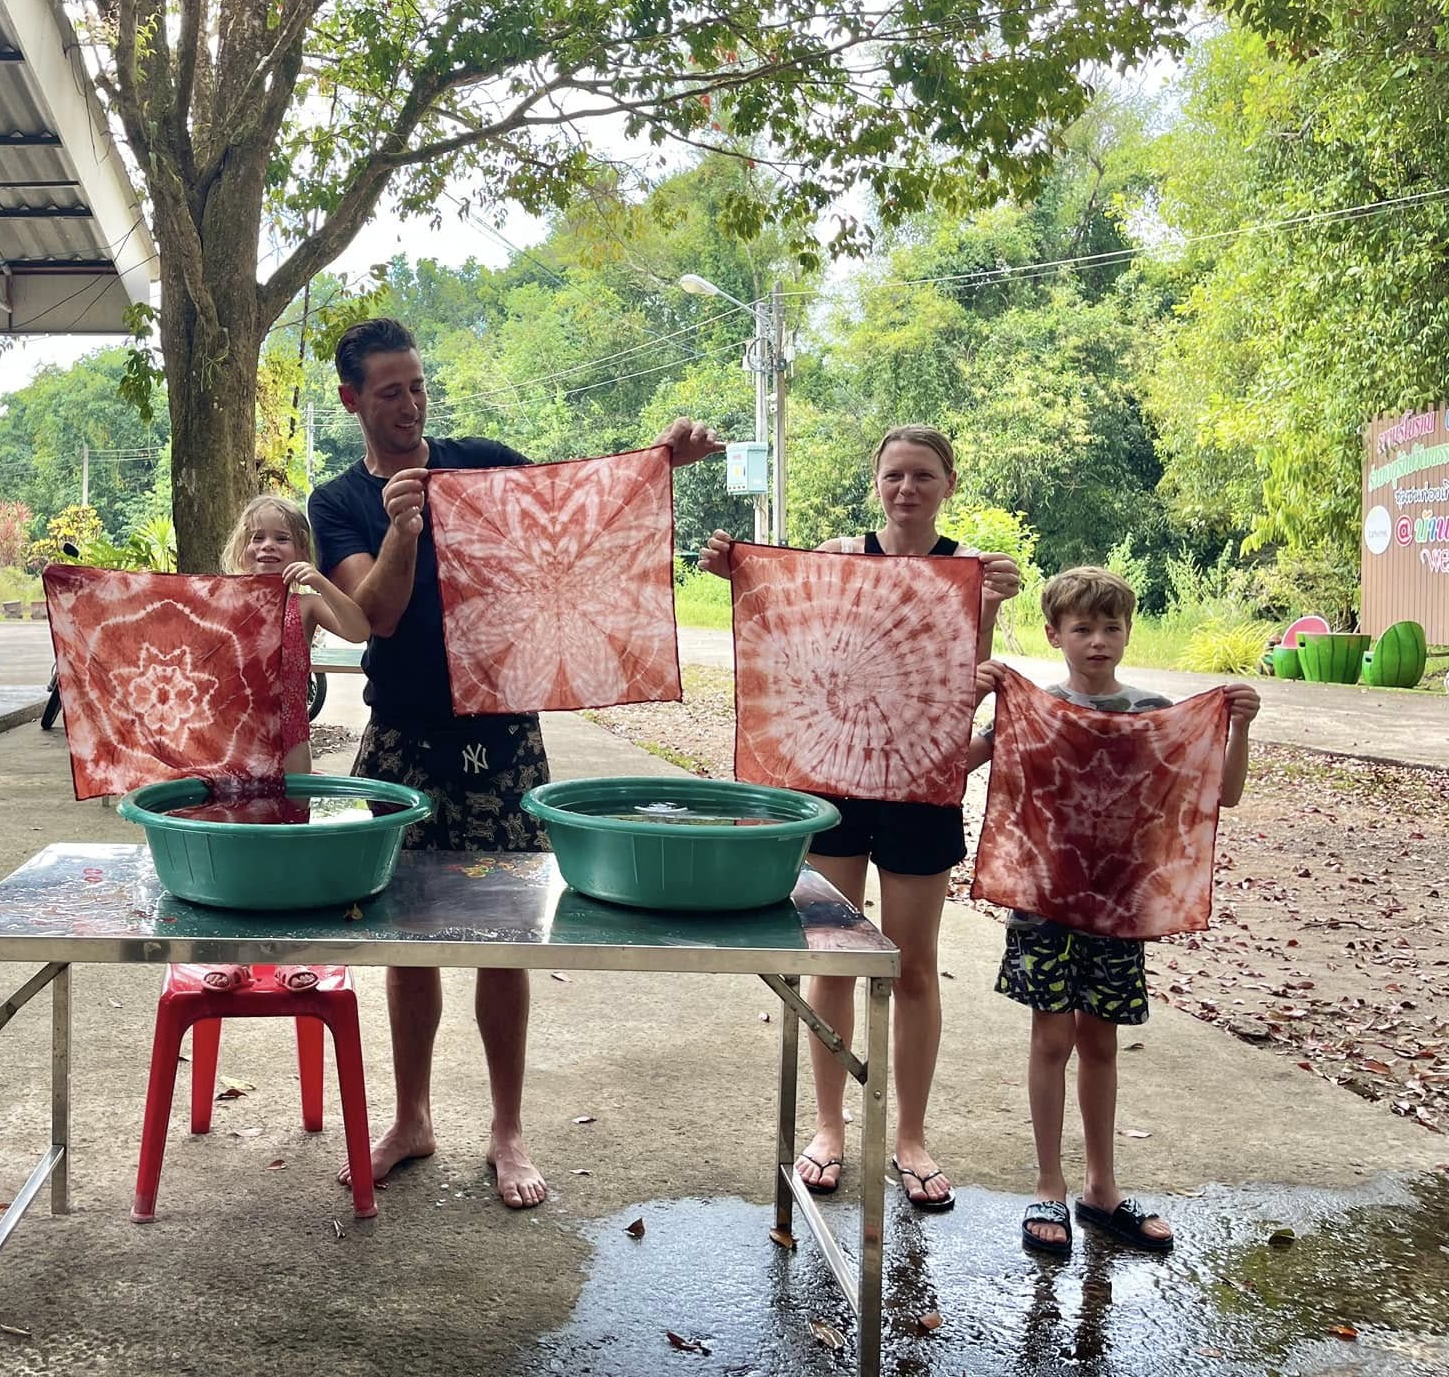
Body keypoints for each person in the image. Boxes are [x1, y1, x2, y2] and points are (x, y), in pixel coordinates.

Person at [309, 316, 722, 1209]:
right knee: (407, 943)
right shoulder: (337, 502)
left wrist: (659, 461)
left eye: (418, 386)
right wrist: (404, 532)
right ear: (353, 401)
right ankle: (412, 1118)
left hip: (503, 737)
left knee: (508, 942)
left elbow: (581, 513)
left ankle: (506, 1129)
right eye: (390, 391)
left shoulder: (483, 461)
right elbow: (372, 614)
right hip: (404, 742)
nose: (411, 405)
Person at [699, 424, 1021, 1211]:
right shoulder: (840, 556)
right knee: (834, 957)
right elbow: (790, 631)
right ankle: (830, 1125)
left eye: (922, 476)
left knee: (911, 965)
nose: (907, 488)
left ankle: (910, 1135)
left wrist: (989, 610)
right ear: (876, 482)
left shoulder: (969, 574)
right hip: (833, 780)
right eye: (894, 475)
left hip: (921, 789)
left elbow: (961, 686)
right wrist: (734, 572)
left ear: (948, 482)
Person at [966, 566, 1258, 1257]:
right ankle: (1048, 1186)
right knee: (1050, 1040)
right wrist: (972, 697)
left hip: (1119, 902)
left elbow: (1229, 794)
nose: (1098, 640)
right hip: (1045, 901)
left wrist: (1238, 727)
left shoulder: (1153, 714)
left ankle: (1102, 1189)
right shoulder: (1033, 706)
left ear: (1129, 631)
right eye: (1082, 628)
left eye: (1111, 626)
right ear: (1054, 634)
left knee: (1100, 1043)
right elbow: (958, 765)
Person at [209, 493, 370, 993]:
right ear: (241, 545)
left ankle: (286, 955)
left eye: (281, 538)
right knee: (235, 856)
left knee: (286, 853)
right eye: (257, 536)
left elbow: (359, 626)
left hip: (291, 741)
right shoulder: (221, 596)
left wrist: (318, 578)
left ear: (300, 546)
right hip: (234, 744)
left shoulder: (305, 602)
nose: (267, 546)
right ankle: (235, 956)